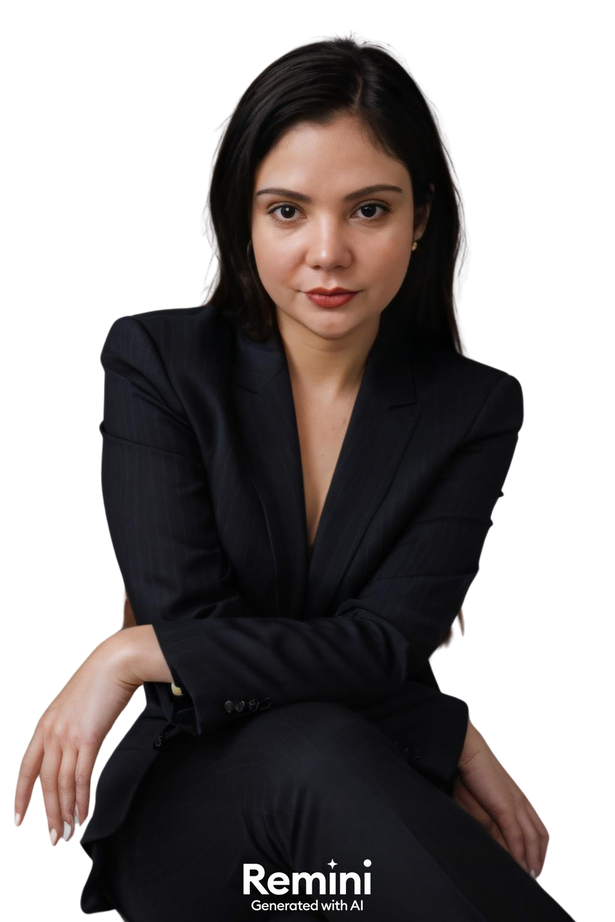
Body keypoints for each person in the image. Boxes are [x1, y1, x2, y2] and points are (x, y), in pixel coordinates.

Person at [11, 29, 577, 921]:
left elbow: (384, 646)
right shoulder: (158, 363)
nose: (326, 253)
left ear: (421, 218)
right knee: (311, 747)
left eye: (368, 210)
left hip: (348, 803)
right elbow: (203, 625)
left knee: (341, 791)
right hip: (193, 812)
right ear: (242, 215)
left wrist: (130, 653)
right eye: (286, 211)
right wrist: (443, 725)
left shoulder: (473, 407)